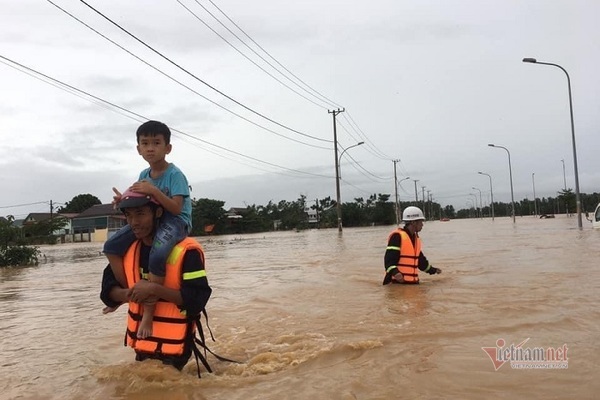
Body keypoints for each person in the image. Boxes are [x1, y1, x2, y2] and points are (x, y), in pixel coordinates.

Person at [100, 190, 212, 372]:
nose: (134, 222)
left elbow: (197, 300)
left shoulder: (186, 252)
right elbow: (108, 290)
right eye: (129, 216)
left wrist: (153, 289)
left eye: (141, 214)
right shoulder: (128, 250)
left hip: (176, 348)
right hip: (142, 345)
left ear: (158, 213)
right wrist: (129, 294)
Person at [103, 120, 193, 341]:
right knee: (111, 246)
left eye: (156, 143)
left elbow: (176, 208)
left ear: (167, 148)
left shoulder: (175, 175)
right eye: (145, 143)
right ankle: (131, 294)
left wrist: (154, 191)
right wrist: (122, 201)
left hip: (175, 222)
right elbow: (137, 202)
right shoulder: (144, 173)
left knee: (158, 253)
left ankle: (148, 313)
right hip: (153, 220)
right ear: (139, 149)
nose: (150, 148)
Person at [383, 206, 442, 285]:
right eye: (421, 221)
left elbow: (421, 262)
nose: (422, 225)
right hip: (396, 284)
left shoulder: (415, 240)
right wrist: (395, 272)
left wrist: (433, 270)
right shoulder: (397, 236)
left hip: (411, 285)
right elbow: (388, 260)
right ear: (413, 222)